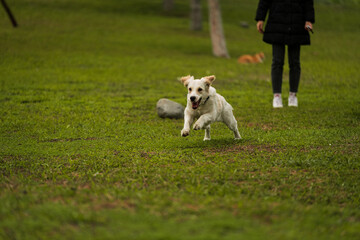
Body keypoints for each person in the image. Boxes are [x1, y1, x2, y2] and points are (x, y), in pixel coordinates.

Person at [255, 0, 315, 108]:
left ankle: (293, 95)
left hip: (297, 23)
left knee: (295, 62)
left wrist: (309, 20)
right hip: (277, 22)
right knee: (277, 61)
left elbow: (308, 2)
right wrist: (260, 18)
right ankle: (277, 96)